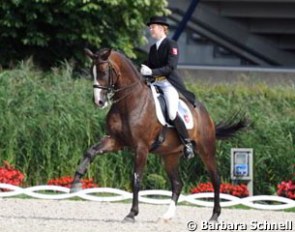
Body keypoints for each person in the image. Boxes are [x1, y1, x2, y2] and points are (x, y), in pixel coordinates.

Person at [140, 16, 196, 159]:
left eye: (152, 27)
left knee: (171, 113)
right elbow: (150, 65)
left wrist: (151, 72)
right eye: (150, 27)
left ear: (161, 28)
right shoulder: (153, 48)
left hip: (168, 84)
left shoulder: (172, 45)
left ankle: (187, 143)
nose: (150, 29)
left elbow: (171, 67)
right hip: (154, 83)